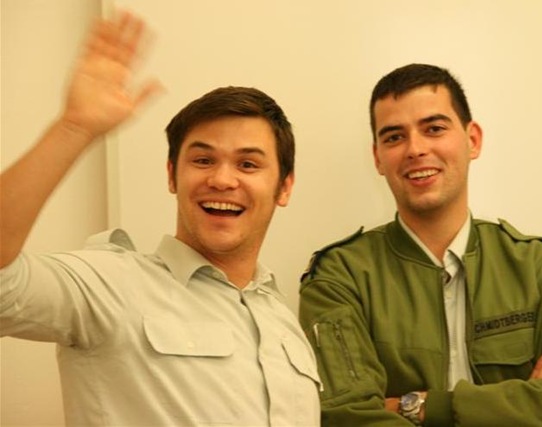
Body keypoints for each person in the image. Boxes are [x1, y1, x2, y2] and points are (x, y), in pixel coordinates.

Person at [0, 12, 320, 427]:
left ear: (284, 187)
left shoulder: (282, 319)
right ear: (172, 175)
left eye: (248, 164)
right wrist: (74, 128)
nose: (222, 179)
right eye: (203, 160)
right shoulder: (109, 286)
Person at [298, 63, 542, 426]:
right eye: (394, 137)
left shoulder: (537, 266)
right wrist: (525, 407)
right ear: (378, 158)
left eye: (434, 129)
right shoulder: (340, 277)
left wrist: (420, 406)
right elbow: (348, 418)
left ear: (472, 140)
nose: (415, 149)